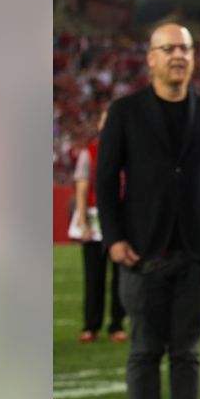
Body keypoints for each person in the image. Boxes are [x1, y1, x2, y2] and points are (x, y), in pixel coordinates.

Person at [95, 23, 200, 399]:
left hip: (196, 253)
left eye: (185, 48)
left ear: (194, 58)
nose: (178, 55)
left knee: (187, 354)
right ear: (151, 58)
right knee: (143, 353)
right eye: (169, 48)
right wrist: (114, 238)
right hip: (142, 252)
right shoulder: (125, 111)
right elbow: (105, 181)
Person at [73, 108, 127, 343]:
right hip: (96, 219)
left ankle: (117, 324)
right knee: (93, 276)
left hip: (121, 219)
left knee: (120, 277)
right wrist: (82, 220)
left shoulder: (130, 152)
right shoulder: (90, 152)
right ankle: (91, 325)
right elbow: (82, 188)